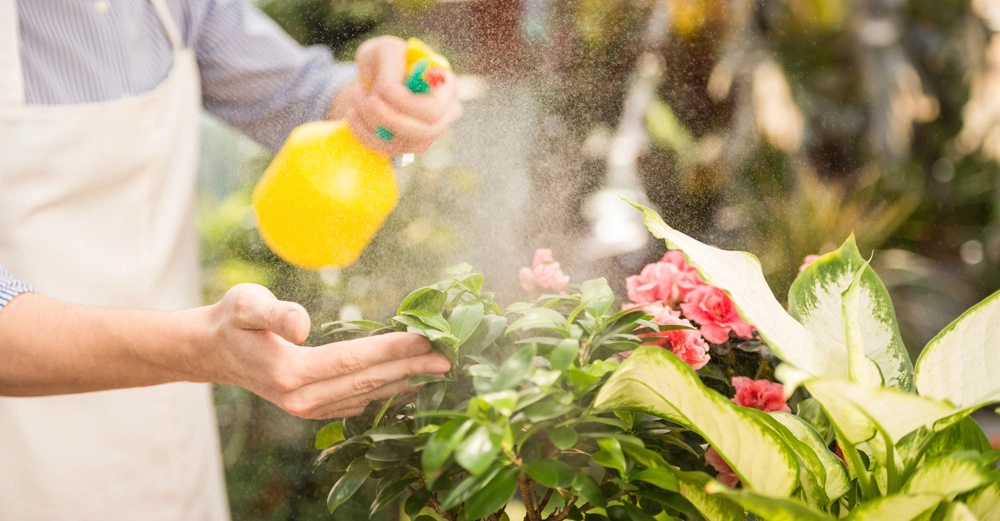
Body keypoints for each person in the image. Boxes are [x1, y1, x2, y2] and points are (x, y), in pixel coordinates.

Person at [0, 0, 462, 519]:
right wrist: (197, 350)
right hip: (19, 442)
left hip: (167, 431)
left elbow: (300, 96)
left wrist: (385, 103)